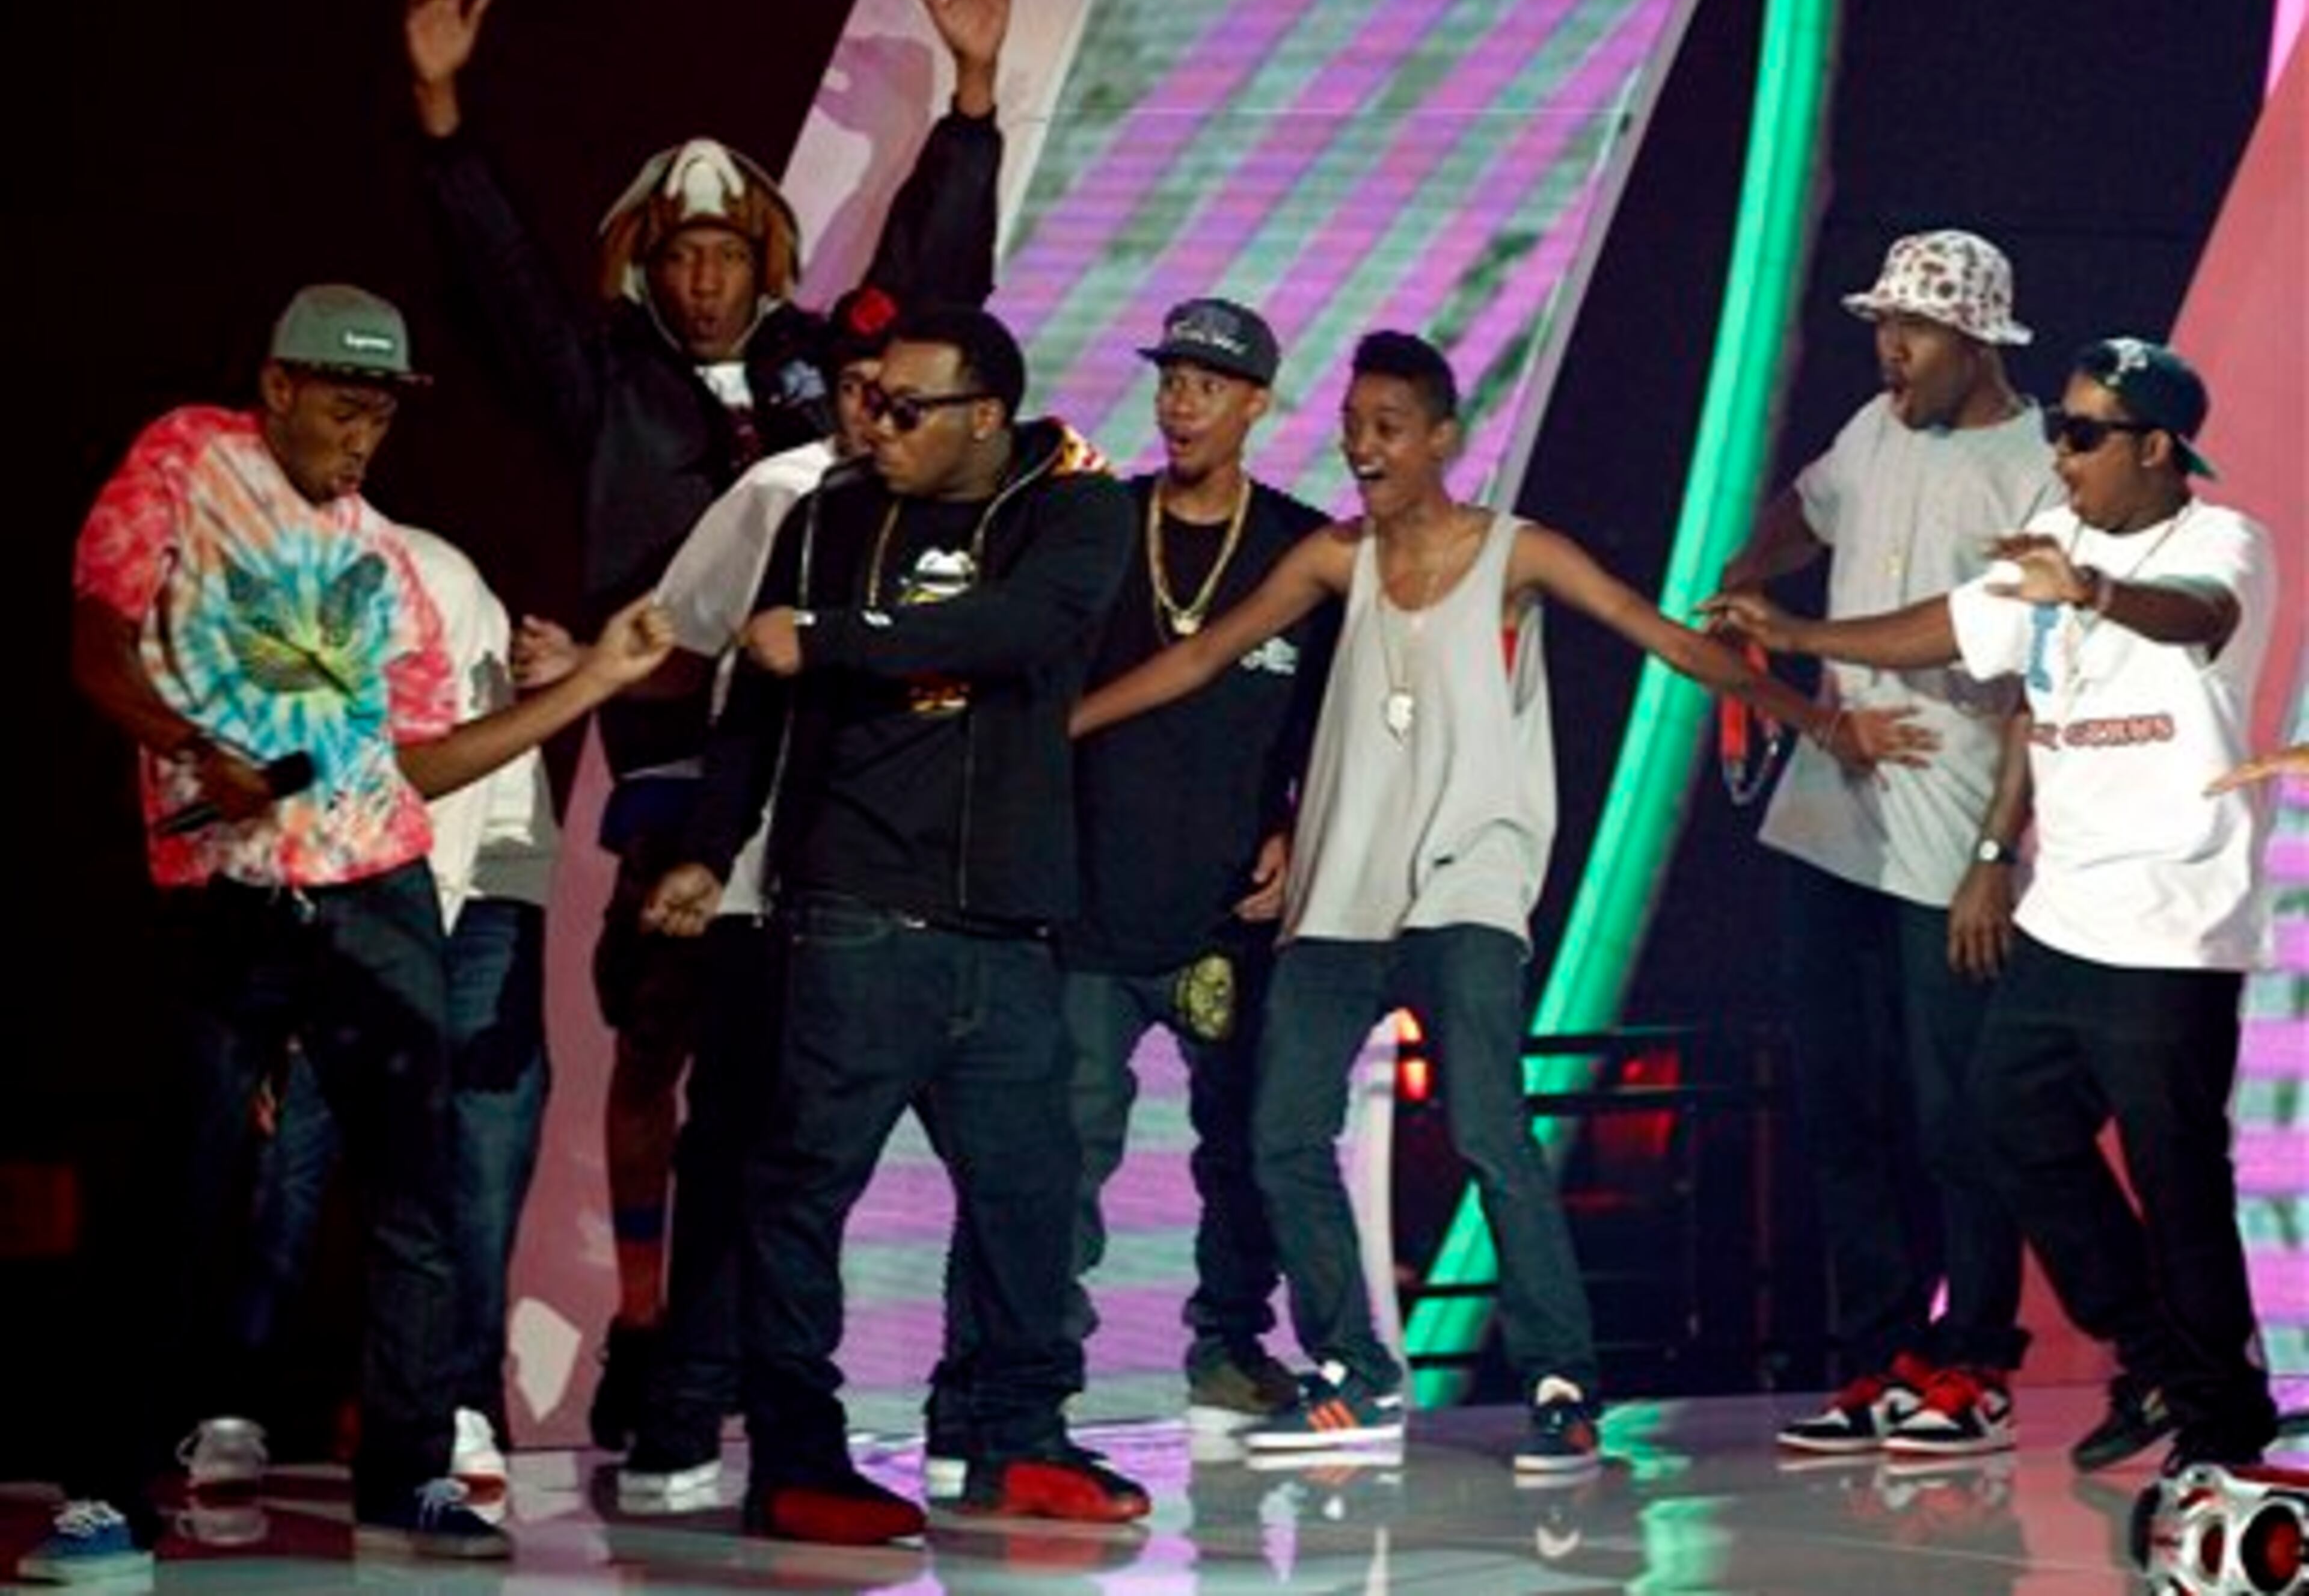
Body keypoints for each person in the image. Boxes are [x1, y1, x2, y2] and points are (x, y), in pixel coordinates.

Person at [1073, 331, 1930, 1476]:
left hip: (1468, 889)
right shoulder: (1337, 558)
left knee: (1487, 1131)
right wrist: (1058, 728)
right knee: (1280, 1136)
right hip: (1337, 898)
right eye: (1352, 423)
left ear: (1441, 438)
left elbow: (1661, 636)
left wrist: (1818, 720)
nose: (1360, 446)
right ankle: (1353, 1370)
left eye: (1386, 427)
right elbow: (1201, 657)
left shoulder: (1515, 554)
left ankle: (1562, 1378)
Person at [402, 0, 1011, 1447]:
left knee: (813, 1052)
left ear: (760, 251)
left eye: (722, 248)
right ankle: (650, 1319)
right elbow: (498, 286)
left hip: (829, 760)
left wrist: (975, 97)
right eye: (672, 253)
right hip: (680, 753)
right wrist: (440, 116)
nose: (697, 272)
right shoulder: (604, 385)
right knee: (660, 1039)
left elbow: (933, 288)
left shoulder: (834, 369)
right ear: (644, 264)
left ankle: (809, 1351)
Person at [32, 284, 673, 1580]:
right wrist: (189, 744)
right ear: (276, 384)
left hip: (373, 884)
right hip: (232, 887)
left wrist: (598, 682)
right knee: (187, 1187)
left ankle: (407, 1473)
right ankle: (105, 1486)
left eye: (381, 411)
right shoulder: (186, 461)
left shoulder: (389, 565)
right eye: (341, 402)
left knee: (422, 1184)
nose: (362, 433)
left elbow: (416, 768)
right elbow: (98, 638)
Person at [1708, 336, 2283, 1475]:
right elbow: (1948, 625)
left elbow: (2190, 614)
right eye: (2060, 428)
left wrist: (2098, 592)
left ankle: (2223, 1414)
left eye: (2084, 434)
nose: (2060, 453)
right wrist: (1805, 635)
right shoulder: (2052, 543)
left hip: (2173, 922)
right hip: (2064, 918)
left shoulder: (2225, 541)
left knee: (2177, 1176)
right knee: (2008, 1128)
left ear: (2158, 448)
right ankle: (2157, 1356)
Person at [642, 306, 1150, 1545]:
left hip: (1009, 924)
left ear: (987, 413)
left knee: (1032, 1189)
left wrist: (831, 639)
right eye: (872, 401)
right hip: (859, 911)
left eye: (907, 407)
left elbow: (1024, 629)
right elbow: (754, 705)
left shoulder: (1072, 504)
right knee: (805, 1183)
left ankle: (1018, 1433)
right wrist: (709, 848)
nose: (875, 423)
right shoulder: (827, 515)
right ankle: (799, 1457)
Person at [928, 299, 1333, 1482]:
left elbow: (1336, 713)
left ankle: (1229, 1348)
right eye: (1171, 380)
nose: (1182, 401)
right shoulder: (1098, 527)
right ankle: (991, 1392)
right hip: (1089, 909)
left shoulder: (1302, 549)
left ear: (1257, 403)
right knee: (1047, 1164)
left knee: (1251, 1148)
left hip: (1227, 917)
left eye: (1210, 384)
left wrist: (1300, 823)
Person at [1708, 229, 2059, 1458]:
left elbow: (2016, 669)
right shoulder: (1871, 431)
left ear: (1976, 339)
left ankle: (1977, 1363)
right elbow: (1804, 511)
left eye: (1912, 328)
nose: (1888, 347)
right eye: (1881, 323)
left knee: (1957, 1111)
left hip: (1946, 830)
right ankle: (1881, 1356)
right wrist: (1747, 575)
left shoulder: (2039, 470)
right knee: (1845, 1102)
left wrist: (1991, 852)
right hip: (1830, 822)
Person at [609, 290, 900, 1511]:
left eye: (899, 385)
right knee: (735, 1143)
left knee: (844, 1155)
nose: (875, 406)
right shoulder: (782, 492)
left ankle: (961, 1414)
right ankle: (687, 1412)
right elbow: (675, 635)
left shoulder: (980, 509)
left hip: (900, 888)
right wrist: (578, 685)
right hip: (760, 884)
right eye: (855, 382)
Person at [227, 527, 562, 1494]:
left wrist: (396, 964)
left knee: (473, 1152)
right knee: (288, 1144)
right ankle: (237, 1399)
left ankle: (455, 1405)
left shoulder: (426, 577)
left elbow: (438, 790)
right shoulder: (243, 607)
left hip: (471, 875)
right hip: (340, 879)